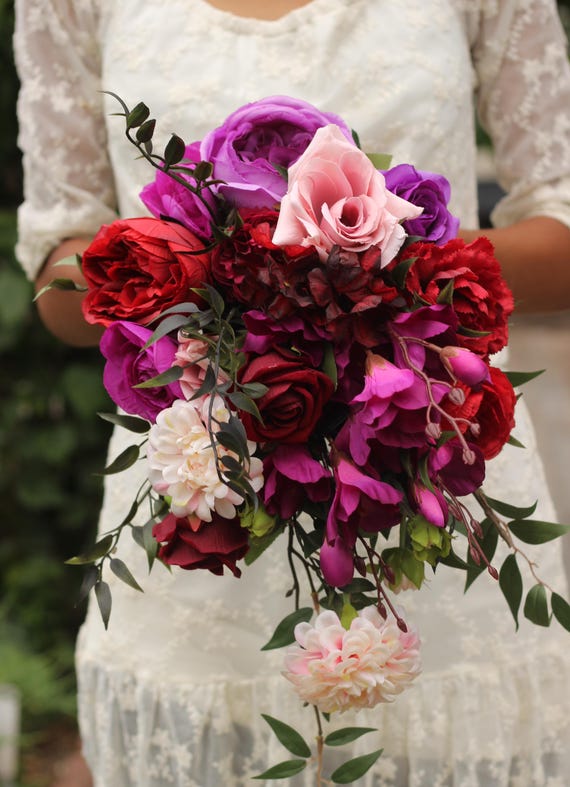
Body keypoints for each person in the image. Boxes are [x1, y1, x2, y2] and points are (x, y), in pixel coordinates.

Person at [14, 1, 570, 785]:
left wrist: (361, 256)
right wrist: (225, 282)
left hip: (435, 501)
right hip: (198, 511)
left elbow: (562, 226)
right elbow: (57, 277)